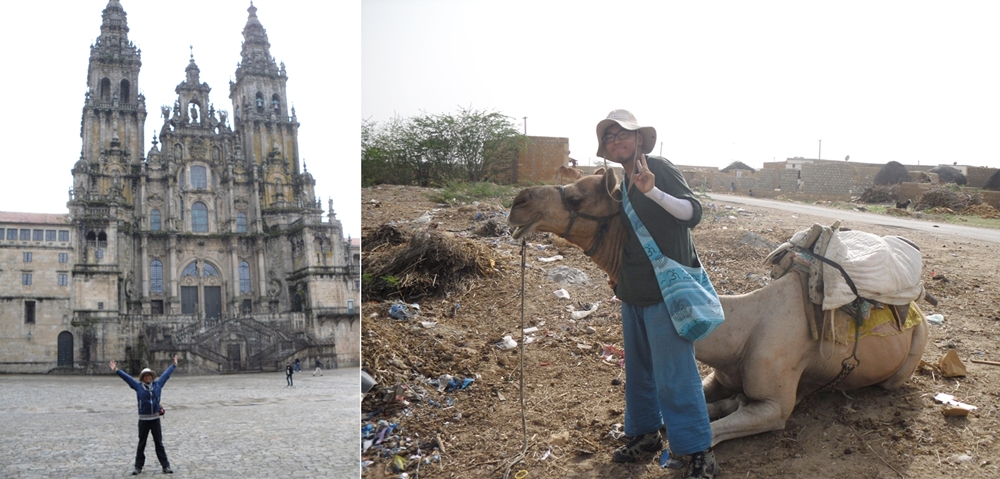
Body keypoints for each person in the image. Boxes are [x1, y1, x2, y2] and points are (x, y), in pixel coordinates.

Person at [595, 110, 718, 478]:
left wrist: (654, 191)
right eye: (610, 138)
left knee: (675, 373)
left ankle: (698, 451)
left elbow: (692, 213)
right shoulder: (619, 180)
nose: (616, 142)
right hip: (633, 290)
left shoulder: (658, 167)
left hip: (667, 291)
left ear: (639, 139)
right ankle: (645, 435)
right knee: (640, 371)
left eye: (622, 135)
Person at [110, 355, 177, 475]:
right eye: (146, 376)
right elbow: (127, 378)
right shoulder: (138, 387)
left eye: (149, 376)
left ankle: (165, 466)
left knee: (159, 443)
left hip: (155, 419)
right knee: (142, 443)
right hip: (143, 420)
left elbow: (166, 375)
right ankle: (138, 467)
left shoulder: (157, 385)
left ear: (151, 377)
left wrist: (174, 365)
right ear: (143, 378)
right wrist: (116, 370)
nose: (148, 377)